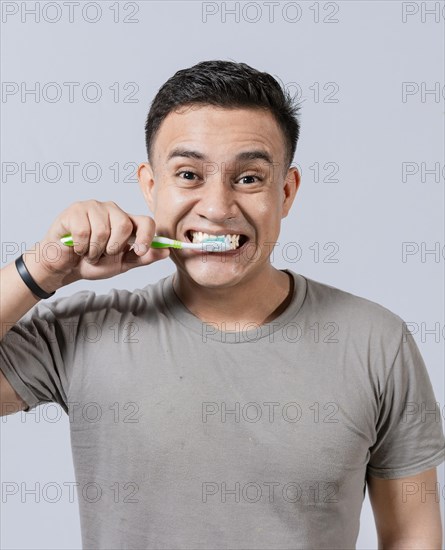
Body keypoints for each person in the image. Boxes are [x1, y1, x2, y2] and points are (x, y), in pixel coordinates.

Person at [1, 60, 444, 549]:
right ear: (151, 187)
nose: (217, 206)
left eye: (249, 178)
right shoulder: (83, 333)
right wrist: (43, 269)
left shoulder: (376, 341)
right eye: (189, 174)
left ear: (287, 191)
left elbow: (412, 536)